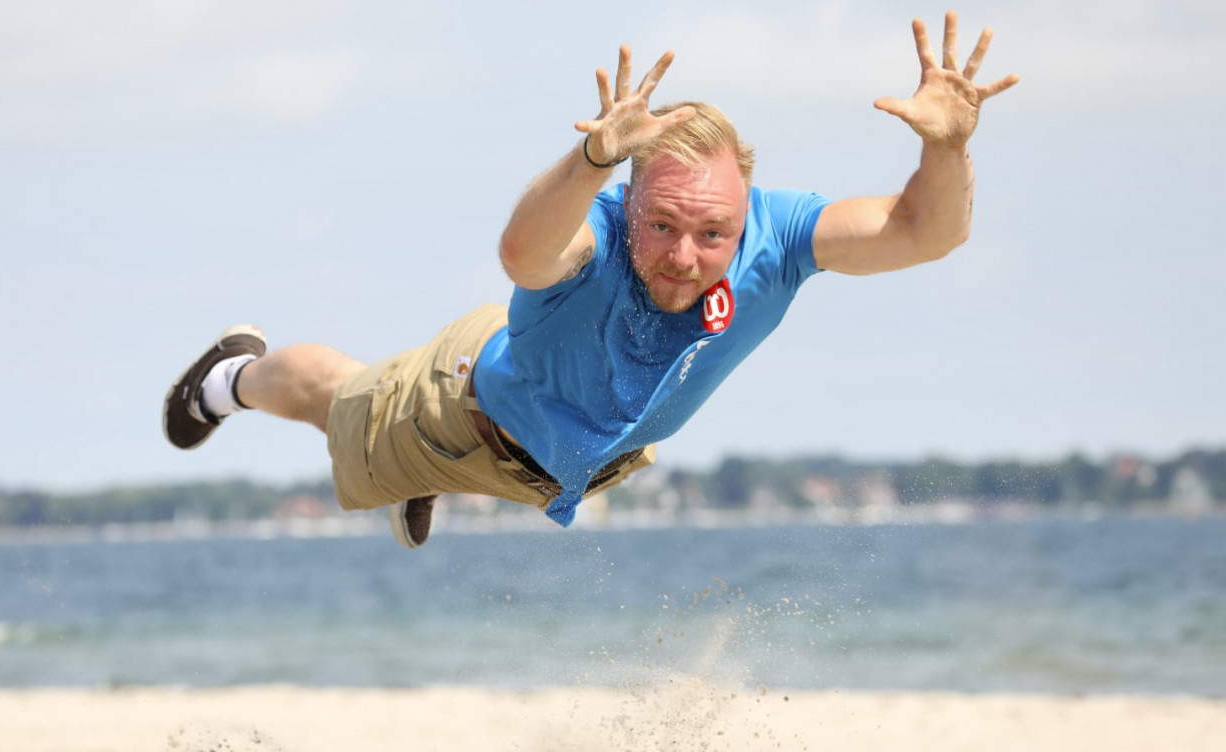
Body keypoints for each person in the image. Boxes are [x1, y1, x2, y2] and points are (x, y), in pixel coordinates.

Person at [163, 12, 1018, 548]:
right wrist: (592, 156)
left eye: (712, 232)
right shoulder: (597, 230)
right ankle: (227, 379)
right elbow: (524, 257)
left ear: (745, 208)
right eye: (663, 225)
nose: (683, 255)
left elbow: (923, 232)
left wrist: (946, 146)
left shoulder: (783, 233)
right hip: (458, 416)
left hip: (587, 459)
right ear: (630, 199)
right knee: (333, 395)